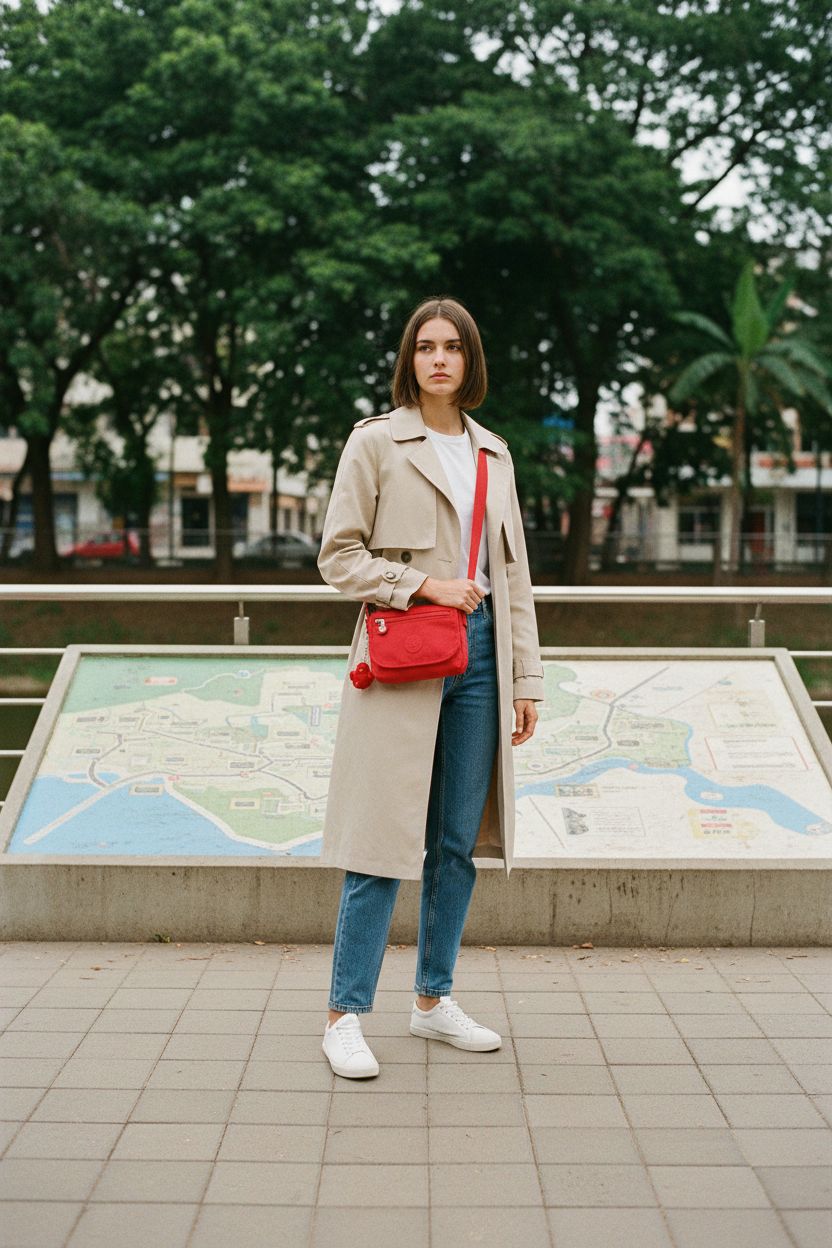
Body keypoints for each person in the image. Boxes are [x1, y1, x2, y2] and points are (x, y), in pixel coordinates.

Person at [316, 295, 544, 1078]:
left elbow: (511, 577)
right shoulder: (376, 444)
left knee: (455, 843)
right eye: (425, 346)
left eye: (452, 347)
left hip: (481, 657)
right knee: (378, 841)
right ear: (409, 359)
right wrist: (424, 585)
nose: (439, 358)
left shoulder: (495, 455)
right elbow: (338, 557)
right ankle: (346, 1014)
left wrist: (526, 678)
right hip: (404, 653)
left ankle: (431, 1001)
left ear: (470, 361)